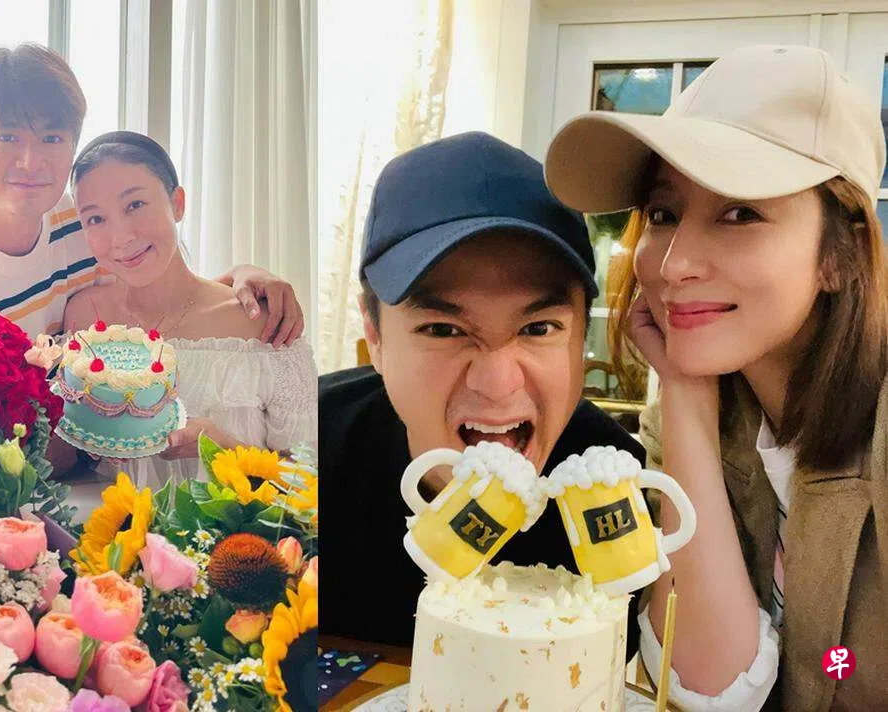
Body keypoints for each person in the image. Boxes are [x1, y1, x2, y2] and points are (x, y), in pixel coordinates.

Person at [545, 44, 888, 711]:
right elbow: (708, 686)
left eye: (740, 213)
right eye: (664, 214)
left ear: (840, 256)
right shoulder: (694, 408)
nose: (674, 265)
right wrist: (684, 392)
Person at [319, 131, 646, 651]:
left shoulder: (614, 490)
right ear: (374, 336)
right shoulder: (303, 452)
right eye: (443, 330)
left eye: (538, 328)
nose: (497, 385)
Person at [0, 43, 304, 346]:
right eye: (8, 138)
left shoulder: (86, 222)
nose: (30, 161)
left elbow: (162, 291)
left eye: (51, 138)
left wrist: (243, 276)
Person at [62, 131, 318, 490]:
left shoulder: (261, 323)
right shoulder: (84, 319)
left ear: (177, 204)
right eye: (95, 219)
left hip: (239, 524)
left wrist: (223, 448)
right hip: (115, 521)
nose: (120, 237)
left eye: (135, 205)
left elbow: (310, 482)